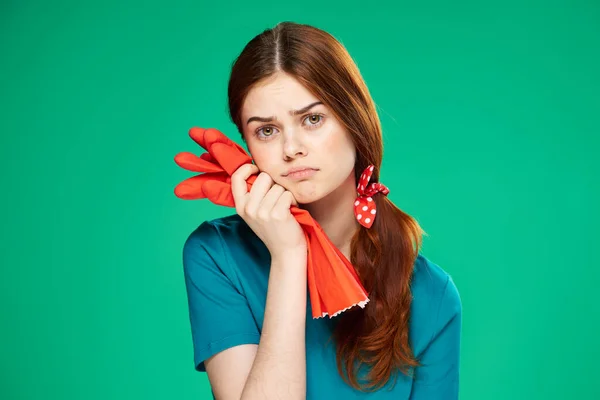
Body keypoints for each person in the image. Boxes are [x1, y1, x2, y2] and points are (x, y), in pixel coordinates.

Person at [182, 21, 462, 399]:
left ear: (354, 120)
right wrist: (289, 254)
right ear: (246, 142)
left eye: (312, 119)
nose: (291, 148)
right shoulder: (217, 254)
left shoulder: (431, 294)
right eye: (267, 130)